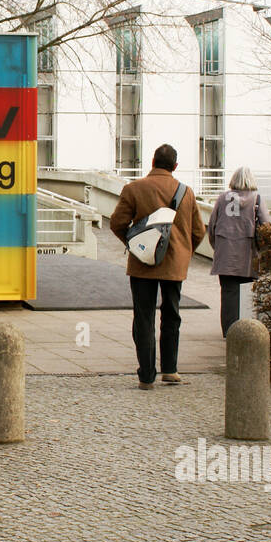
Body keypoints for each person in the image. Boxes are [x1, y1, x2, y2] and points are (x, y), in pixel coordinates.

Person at [110, 143, 206, 390]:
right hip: (175, 264)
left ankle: (146, 375)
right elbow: (198, 231)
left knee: (144, 317)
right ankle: (171, 370)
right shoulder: (187, 192)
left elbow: (117, 223)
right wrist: (184, 252)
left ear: (152, 162)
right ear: (175, 166)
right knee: (172, 314)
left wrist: (135, 245)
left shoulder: (134, 189)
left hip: (142, 264)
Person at [206, 166, 271, 338]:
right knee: (248, 294)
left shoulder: (222, 198)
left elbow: (212, 225)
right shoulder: (256, 199)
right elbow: (267, 226)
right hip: (248, 255)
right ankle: (248, 331)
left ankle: (229, 332)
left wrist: (218, 248)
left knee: (228, 295)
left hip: (226, 255)